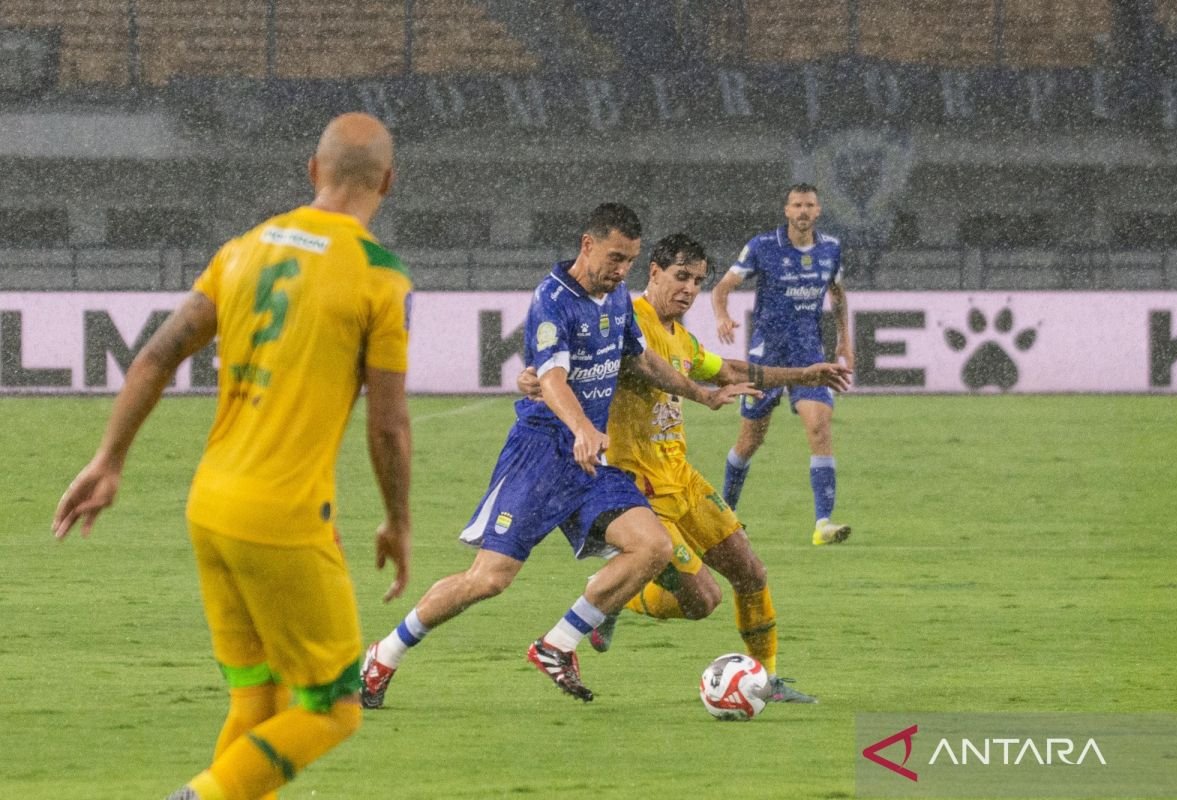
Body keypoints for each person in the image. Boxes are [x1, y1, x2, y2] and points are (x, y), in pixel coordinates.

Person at [52, 112, 413, 800]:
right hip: (284, 518)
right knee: (333, 708)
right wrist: (398, 520)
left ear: (314, 171)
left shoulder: (244, 248)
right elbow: (389, 425)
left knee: (258, 704)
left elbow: (156, 355)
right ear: (387, 183)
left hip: (210, 506)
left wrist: (108, 459)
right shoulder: (379, 275)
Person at [359, 204, 757, 707]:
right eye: (613, 257)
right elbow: (550, 379)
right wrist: (582, 428)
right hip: (543, 454)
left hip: (590, 460)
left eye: (628, 262)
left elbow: (642, 360)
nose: (619, 271)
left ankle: (557, 644)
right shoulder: (553, 300)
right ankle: (383, 655)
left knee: (651, 547)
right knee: (489, 579)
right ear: (586, 244)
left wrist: (699, 394)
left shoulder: (615, 299)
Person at [520, 233, 851, 702]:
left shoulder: (681, 338)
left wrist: (805, 374)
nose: (690, 289)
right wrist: (533, 377)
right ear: (653, 272)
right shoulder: (627, 319)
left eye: (698, 281)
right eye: (681, 276)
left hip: (682, 476)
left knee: (751, 573)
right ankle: (616, 595)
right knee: (701, 601)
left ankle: (768, 680)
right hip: (637, 487)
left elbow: (729, 371)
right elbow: (571, 358)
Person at [712, 183, 856, 546]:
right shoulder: (762, 247)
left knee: (820, 427)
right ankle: (723, 515)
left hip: (809, 352)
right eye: (797, 205)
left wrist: (845, 339)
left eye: (809, 205)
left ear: (819, 211)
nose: (803, 211)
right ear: (787, 211)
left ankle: (823, 523)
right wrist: (722, 316)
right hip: (767, 355)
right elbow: (721, 288)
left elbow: (837, 296)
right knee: (749, 441)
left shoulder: (831, 249)